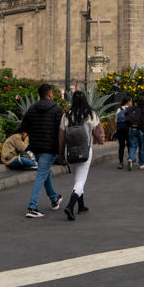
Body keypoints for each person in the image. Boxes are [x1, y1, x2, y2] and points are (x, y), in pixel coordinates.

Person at [58, 90, 105, 220]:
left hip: (70, 151)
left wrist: (61, 153)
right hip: (85, 151)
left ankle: (81, 205)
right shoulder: (91, 114)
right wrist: (100, 140)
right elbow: (98, 133)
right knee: (80, 180)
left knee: (77, 178)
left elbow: (61, 137)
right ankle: (70, 206)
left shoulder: (66, 115)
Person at [21, 83, 64, 218]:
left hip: (36, 146)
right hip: (49, 147)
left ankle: (54, 199)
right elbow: (61, 130)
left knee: (45, 172)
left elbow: (24, 126)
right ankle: (32, 207)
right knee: (41, 174)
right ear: (50, 93)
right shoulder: (56, 110)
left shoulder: (32, 109)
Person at [125, 95, 144, 170]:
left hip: (132, 129)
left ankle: (130, 159)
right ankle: (141, 164)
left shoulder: (132, 108)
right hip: (141, 130)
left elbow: (126, 116)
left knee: (133, 146)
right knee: (142, 147)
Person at [115, 96, 132, 169]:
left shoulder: (119, 109)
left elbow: (116, 121)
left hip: (120, 130)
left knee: (121, 146)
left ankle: (121, 163)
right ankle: (130, 160)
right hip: (128, 130)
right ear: (128, 102)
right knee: (129, 145)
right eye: (131, 101)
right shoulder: (131, 109)